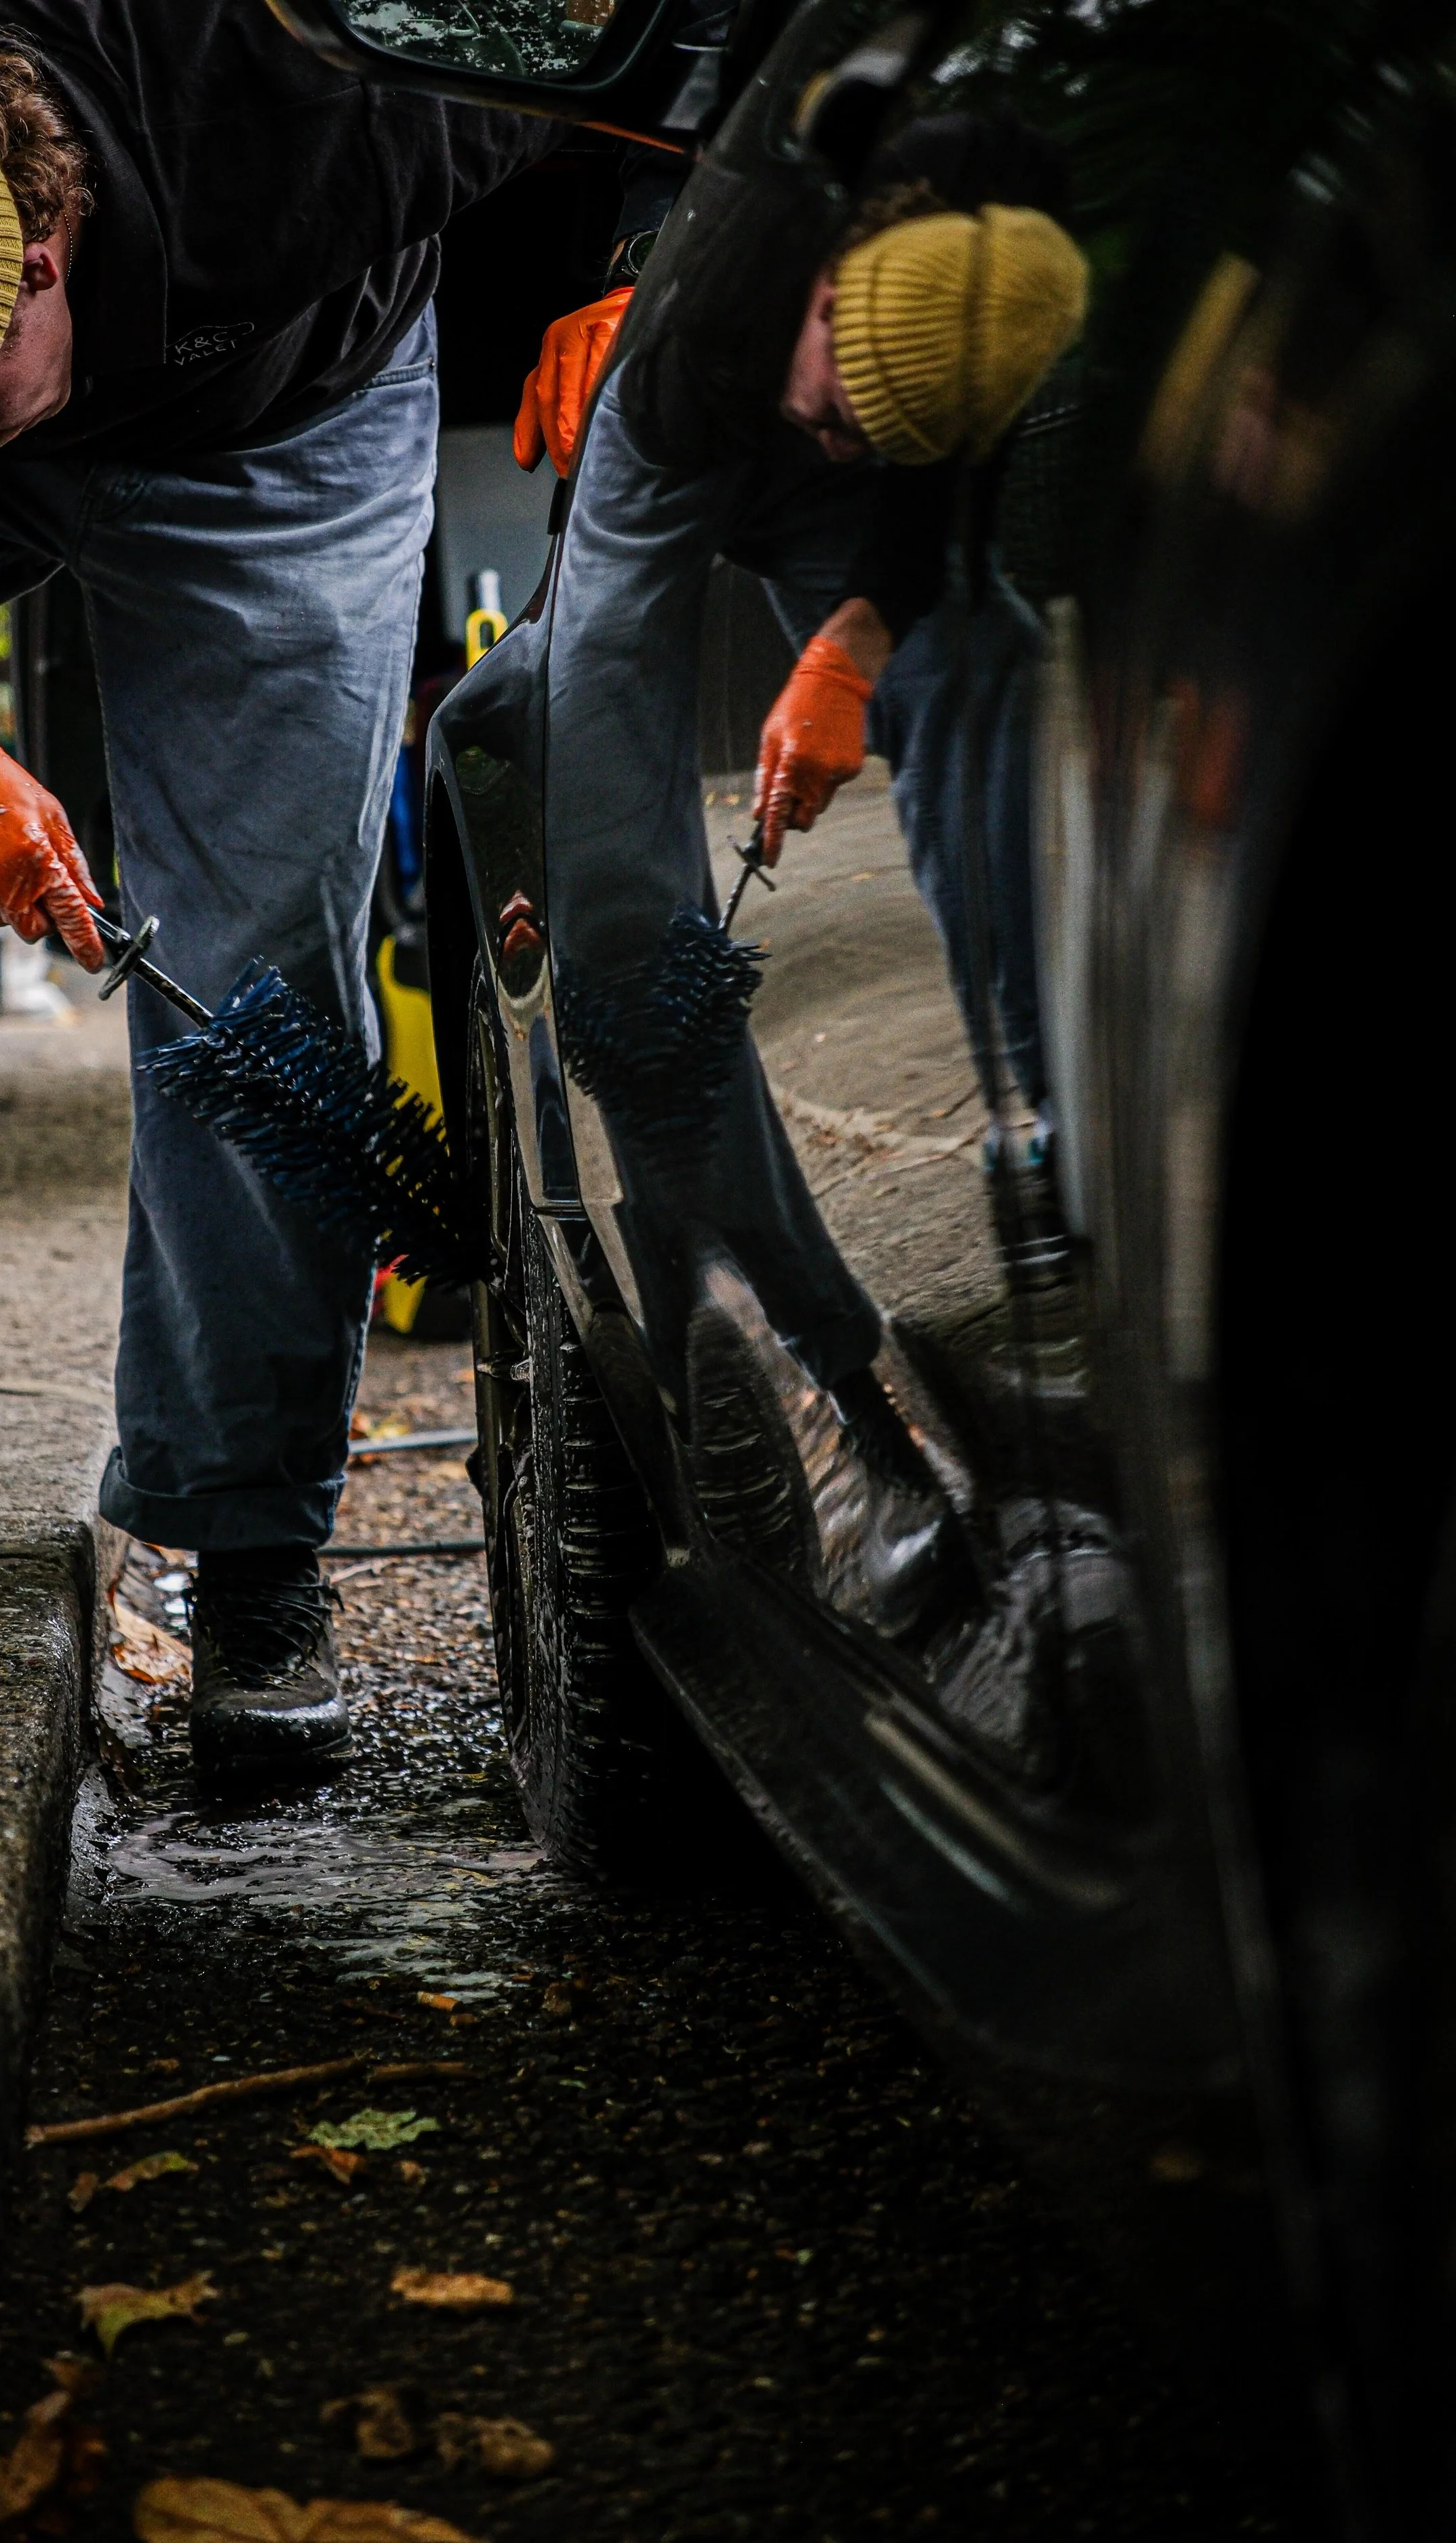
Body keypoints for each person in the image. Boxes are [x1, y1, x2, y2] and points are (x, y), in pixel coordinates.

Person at [0, 5, 562, 1778]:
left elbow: (611, 61)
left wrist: (629, 268)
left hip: (281, 413)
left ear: (43, 263)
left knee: (250, 940)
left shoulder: (305, 108)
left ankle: (245, 1544)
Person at [514, 113, 1084, 1628]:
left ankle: (1050, 1165)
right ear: (825, 290)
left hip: (909, 427)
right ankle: (796, 1374)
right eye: (836, 413)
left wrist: (859, 631)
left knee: (991, 673)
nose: (831, 447)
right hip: (683, 408)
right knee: (617, 885)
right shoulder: (747, 255)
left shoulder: (1018, 241)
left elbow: (919, 465)